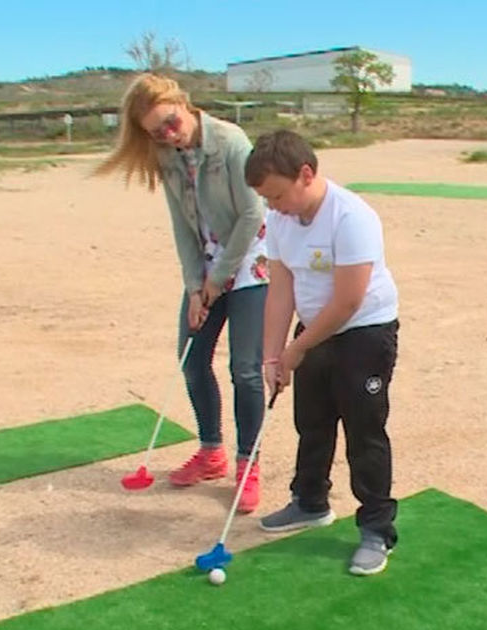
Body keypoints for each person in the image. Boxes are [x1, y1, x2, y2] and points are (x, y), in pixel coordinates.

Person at [96, 73, 269, 513]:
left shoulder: (230, 141)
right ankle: (212, 453)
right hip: (208, 266)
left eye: (171, 122)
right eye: (157, 132)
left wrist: (218, 279)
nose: (169, 135)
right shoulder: (167, 157)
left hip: (252, 262)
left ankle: (248, 464)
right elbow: (182, 226)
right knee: (192, 359)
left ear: (183, 103)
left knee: (246, 369)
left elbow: (252, 215)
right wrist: (196, 287)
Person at [244, 130, 400, 576]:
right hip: (313, 330)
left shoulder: (352, 217)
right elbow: (280, 290)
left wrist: (296, 349)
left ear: (306, 174)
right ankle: (310, 502)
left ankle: (376, 529)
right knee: (311, 422)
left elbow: (348, 301)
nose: (273, 206)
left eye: (277, 195)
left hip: (364, 330)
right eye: (266, 199)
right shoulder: (279, 220)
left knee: (364, 430)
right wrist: (272, 357)